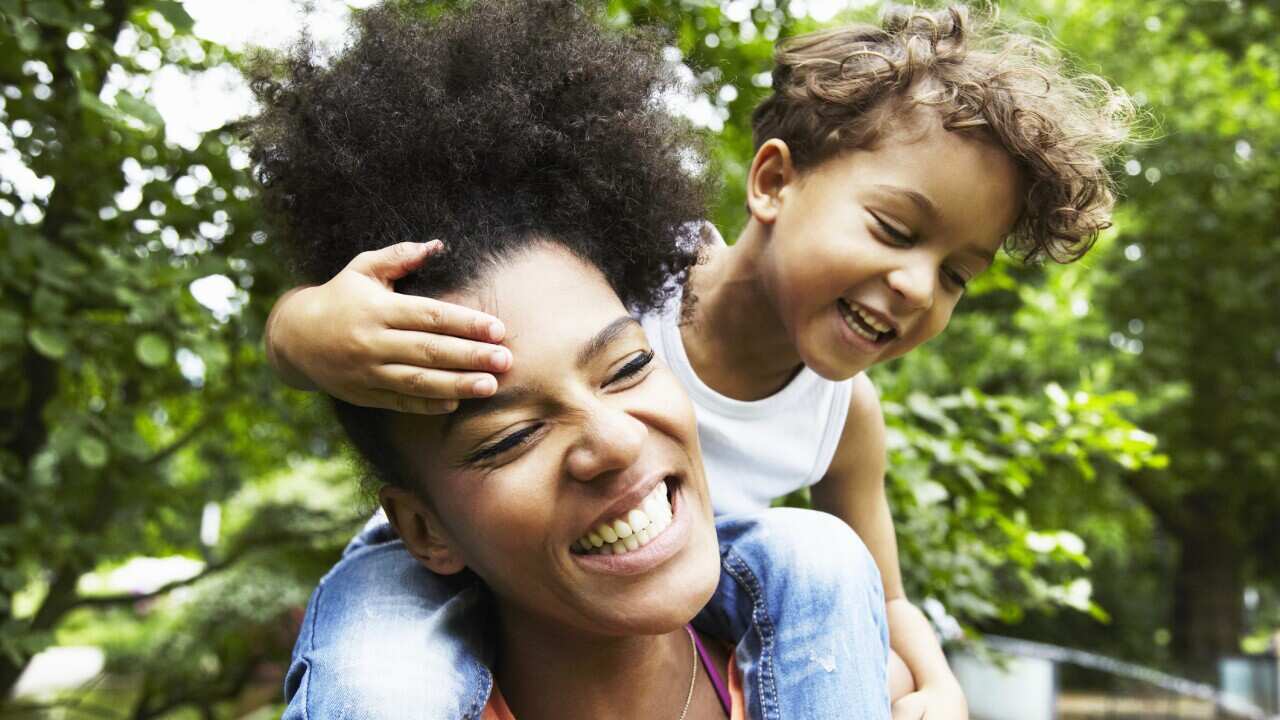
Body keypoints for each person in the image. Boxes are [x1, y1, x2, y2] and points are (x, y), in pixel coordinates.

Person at [264, 3, 1133, 718]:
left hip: (689, 557)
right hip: (433, 570)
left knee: (825, 561)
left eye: (956, 274)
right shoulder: (633, 276)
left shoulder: (846, 414)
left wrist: (937, 685)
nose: (915, 285)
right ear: (772, 182)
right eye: (894, 231)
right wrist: (302, 329)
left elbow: (887, 596)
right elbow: (401, 308)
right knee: (375, 680)